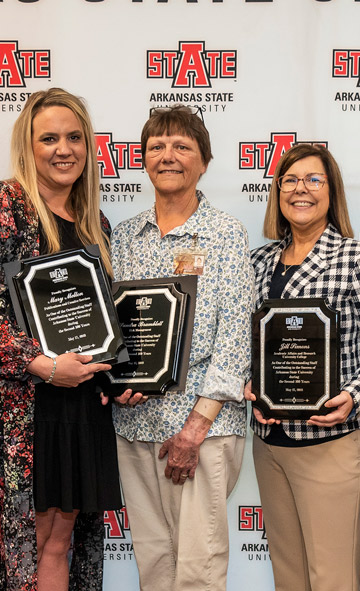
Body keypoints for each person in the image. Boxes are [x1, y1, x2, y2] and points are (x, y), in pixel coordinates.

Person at [0, 88, 131, 591]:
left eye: (74, 137)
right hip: (16, 410)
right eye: (49, 138)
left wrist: (124, 373)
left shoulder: (97, 225)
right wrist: (44, 365)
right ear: (28, 146)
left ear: (90, 147)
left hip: (79, 408)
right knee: (13, 554)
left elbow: (103, 323)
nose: (62, 149)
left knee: (59, 544)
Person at [111, 105, 253, 591]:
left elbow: (236, 339)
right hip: (134, 425)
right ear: (142, 158)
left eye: (182, 147)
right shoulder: (124, 237)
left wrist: (194, 429)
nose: (167, 156)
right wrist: (114, 377)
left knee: (198, 566)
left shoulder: (226, 234)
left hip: (202, 428)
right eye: (156, 147)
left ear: (204, 161)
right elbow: (115, 328)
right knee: (153, 562)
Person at [242, 144, 360, 590]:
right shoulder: (260, 261)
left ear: (331, 192)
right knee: (289, 577)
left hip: (334, 441)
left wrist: (355, 396)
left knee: (332, 579)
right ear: (277, 192)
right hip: (271, 444)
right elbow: (251, 346)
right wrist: (252, 384)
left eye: (313, 180)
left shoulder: (358, 257)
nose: (300, 189)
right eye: (289, 180)